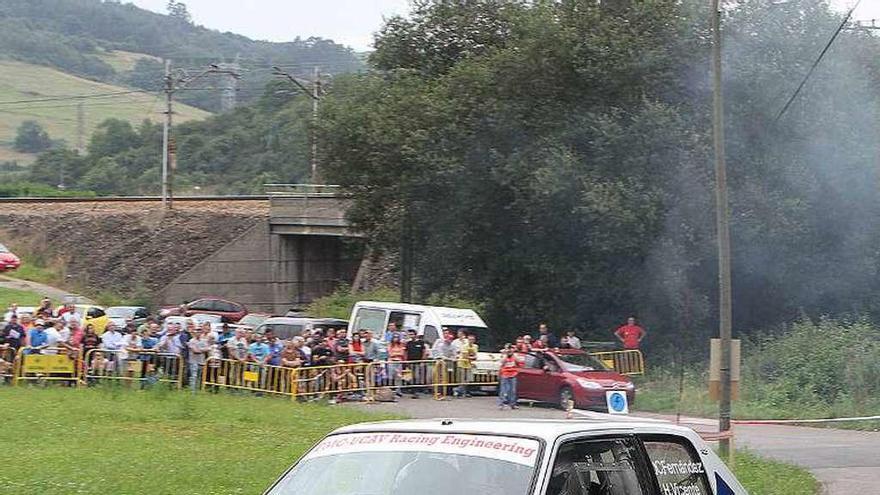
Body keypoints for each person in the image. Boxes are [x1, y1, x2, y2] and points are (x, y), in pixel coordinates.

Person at [498, 344, 523, 410]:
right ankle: (502, 404)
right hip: (505, 374)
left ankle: (512, 404)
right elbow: (501, 362)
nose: (509, 350)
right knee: (504, 390)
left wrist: (513, 354)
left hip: (513, 374)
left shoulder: (514, 356)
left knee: (513, 390)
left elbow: (519, 361)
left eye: (511, 349)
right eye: (508, 349)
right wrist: (506, 354)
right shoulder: (504, 356)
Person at [186, 326, 210, 391]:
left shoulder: (204, 341)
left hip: (201, 361)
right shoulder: (191, 341)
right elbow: (195, 351)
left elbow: (208, 349)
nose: (198, 333)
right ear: (194, 332)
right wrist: (202, 350)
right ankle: (192, 390)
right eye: (197, 331)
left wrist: (200, 350)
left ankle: (198, 389)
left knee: (200, 376)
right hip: (193, 361)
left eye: (199, 331)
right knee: (194, 376)